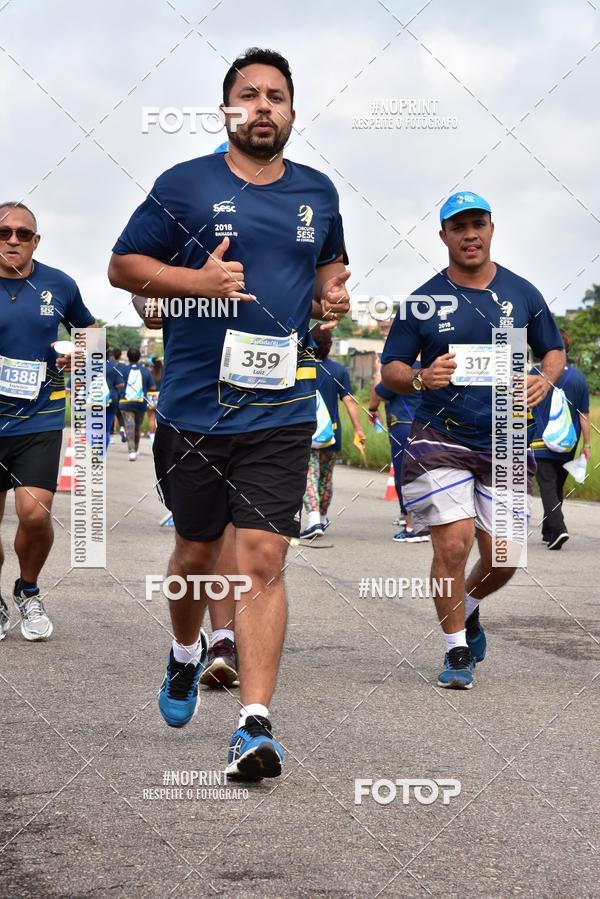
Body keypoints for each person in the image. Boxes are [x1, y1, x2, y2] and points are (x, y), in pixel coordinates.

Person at [108, 47, 350, 779]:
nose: (263, 106)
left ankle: (254, 724)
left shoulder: (318, 192)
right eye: (249, 95)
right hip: (194, 407)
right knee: (195, 552)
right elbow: (123, 266)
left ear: (293, 112)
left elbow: (328, 267)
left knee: (263, 559)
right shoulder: (183, 184)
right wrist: (198, 281)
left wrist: (332, 296)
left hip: (281, 406)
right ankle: (185, 651)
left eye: (276, 96)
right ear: (226, 112)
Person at [381, 191, 565, 689]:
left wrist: (545, 378)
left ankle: (467, 605)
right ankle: (456, 649)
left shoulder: (522, 293)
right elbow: (392, 368)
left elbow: (553, 350)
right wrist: (420, 377)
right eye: (458, 227)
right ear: (443, 236)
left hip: (505, 438)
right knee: (454, 543)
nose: (469, 235)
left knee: (504, 557)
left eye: (477, 225)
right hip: (440, 436)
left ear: (491, 229)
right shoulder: (422, 300)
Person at [0, 201, 95, 641]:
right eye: (4, 233)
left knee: (35, 514)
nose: (13, 240)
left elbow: (89, 334)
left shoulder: (59, 284)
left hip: (38, 418)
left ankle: (29, 589)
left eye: (23, 234)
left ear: (36, 241)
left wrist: (80, 355)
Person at [300, 324, 365, 539]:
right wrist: (358, 429)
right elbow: (349, 401)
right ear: (329, 346)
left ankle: (313, 520)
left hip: (306, 432)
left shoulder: (301, 367)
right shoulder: (338, 371)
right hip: (331, 433)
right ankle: (323, 517)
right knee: (326, 478)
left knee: (309, 476)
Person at [530, 328, 591, 549]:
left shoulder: (535, 373)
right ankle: (548, 532)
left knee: (547, 486)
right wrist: (587, 445)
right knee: (556, 486)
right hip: (568, 443)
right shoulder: (579, 378)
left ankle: (558, 529)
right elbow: (584, 416)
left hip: (540, 441)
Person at [368, 360, 430, 543]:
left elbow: (378, 394)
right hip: (428, 427)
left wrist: (377, 373)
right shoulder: (428, 367)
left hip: (403, 425)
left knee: (403, 474)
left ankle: (413, 526)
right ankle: (426, 522)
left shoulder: (398, 372)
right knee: (426, 473)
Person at [118, 347, 155, 461]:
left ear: (128, 357)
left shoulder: (122, 370)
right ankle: (136, 449)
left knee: (129, 426)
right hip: (140, 403)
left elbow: (118, 384)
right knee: (137, 427)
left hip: (125, 402)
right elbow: (152, 386)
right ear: (139, 357)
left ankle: (131, 451)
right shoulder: (145, 371)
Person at [111, 348, 127, 442]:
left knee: (111, 414)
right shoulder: (123, 367)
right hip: (122, 393)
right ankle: (122, 429)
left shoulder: (109, 366)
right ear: (120, 356)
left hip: (111, 393)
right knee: (120, 413)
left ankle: (111, 435)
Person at [145, 356, 163, 446]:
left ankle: (152, 436)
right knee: (160, 418)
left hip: (151, 395)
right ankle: (161, 436)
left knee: (151, 417)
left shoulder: (149, 372)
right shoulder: (164, 372)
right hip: (161, 395)